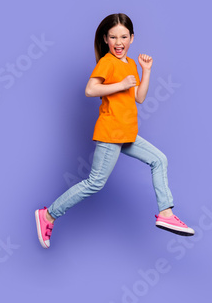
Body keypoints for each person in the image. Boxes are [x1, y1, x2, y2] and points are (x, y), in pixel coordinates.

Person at [35, 13, 194, 249]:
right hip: (111, 133)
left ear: (132, 38)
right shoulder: (107, 62)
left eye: (123, 36)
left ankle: (166, 214)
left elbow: (139, 97)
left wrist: (146, 70)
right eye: (113, 37)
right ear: (106, 39)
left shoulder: (130, 64)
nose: (118, 42)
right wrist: (120, 85)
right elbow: (90, 89)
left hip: (127, 133)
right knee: (94, 183)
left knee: (159, 160)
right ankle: (48, 215)